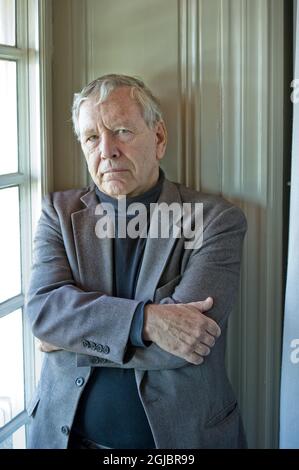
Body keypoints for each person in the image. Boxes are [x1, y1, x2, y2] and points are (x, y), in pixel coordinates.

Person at [25, 74, 247, 449]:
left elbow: (188, 344)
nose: (106, 150)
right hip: (65, 439)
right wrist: (147, 321)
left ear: (158, 138)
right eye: (92, 137)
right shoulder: (57, 214)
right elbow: (43, 313)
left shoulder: (215, 220)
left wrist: (68, 340)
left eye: (122, 131)